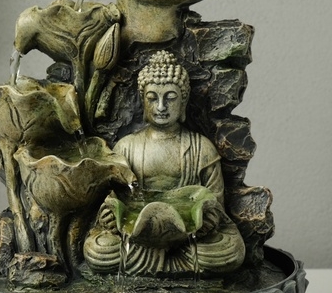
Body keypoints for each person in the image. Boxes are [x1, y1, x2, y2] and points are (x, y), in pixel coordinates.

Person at [83, 51, 245, 276]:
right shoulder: (126, 147)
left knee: (230, 251)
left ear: (183, 101)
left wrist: (209, 219)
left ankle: (153, 266)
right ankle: (177, 267)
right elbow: (112, 200)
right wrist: (108, 217)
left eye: (170, 98)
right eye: (152, 98)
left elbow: (215, 203)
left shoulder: (202, 148)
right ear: (143, 101)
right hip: (137, 239)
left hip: (189, 240)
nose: (161, 106)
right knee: (98, 250)